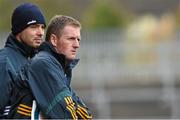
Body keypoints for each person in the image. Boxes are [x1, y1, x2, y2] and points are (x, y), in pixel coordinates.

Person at [16, 15, 92, 119]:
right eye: (71, 39)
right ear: (54, 40)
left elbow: (85, 114)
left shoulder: (59, 67)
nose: (76, 44)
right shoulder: (43, 64)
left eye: (78, 39)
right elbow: (64, 113)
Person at [0, 3, 46, 118]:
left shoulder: (35, 60)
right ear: (19, 30)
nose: (40, 32)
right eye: (34, 27)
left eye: (42, 27)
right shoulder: (4, 62)